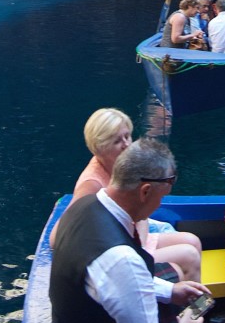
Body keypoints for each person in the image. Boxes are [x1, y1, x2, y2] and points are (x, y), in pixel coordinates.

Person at [50, 138, 225, 323]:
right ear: (145, 191)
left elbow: (112, 283)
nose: (159, 205)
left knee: (174, 273)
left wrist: (171, 291)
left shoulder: (86, 205)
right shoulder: (120, 259)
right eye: (162, 197)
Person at [74, 108, 204, 283]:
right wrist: (138, 249)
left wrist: (141, 243)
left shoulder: (123, 165)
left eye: (127, 136)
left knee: (193, 241)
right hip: (121, 249)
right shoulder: (92, 183)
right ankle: (188, 305)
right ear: (99, 147)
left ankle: (192, 300)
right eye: (117, 141)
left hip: (136, 237)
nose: (127, 144)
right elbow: (61, 234)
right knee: (188, 255)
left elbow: (138, 213)